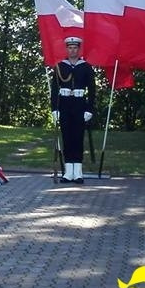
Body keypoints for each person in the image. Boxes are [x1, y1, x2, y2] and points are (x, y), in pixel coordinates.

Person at [50, 36, 96, 183]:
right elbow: (55, 89)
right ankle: (68, 172)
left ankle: (78, 173)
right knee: (67, 137)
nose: (72, 50)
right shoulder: (60, 66)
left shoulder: (86, 67)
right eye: (70, 48)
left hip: (79, 104)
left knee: (78, 137)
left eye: (75, 48)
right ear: (66, 49)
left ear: (78, 49)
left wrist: (89, 109)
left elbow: (92, 90)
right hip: (64, 104)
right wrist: (54, 109)